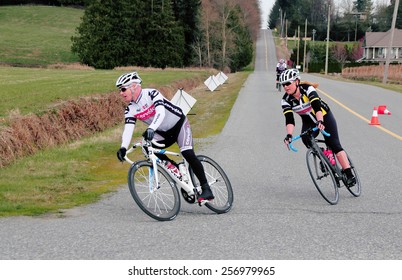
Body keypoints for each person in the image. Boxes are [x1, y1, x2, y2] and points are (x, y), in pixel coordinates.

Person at [115, 71, 214, 202]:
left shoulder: (151, 94)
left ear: (134, 86)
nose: (121, 93)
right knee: (146, 146)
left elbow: (160, 112)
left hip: (179, 125)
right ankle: (176, 170)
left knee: (187, 153)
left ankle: (206, 188)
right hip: (162, 133)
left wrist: (151, 128)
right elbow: (128, 129)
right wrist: (123, 147)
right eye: (120, 90)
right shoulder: (130, 109)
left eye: (123, 89)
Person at [279, 69, 356, 186]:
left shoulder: (308, 89)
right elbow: (289, 120)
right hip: (308, 121)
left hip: (324, 116)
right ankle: (324, 158)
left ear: (296, 81)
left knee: (335, 145)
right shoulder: (286, 100)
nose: (285, 87)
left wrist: (320, 121)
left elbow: (317, 108)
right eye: (283, 84)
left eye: (288, 83)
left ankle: (349, 173)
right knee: (306, 139)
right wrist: (289, 135)